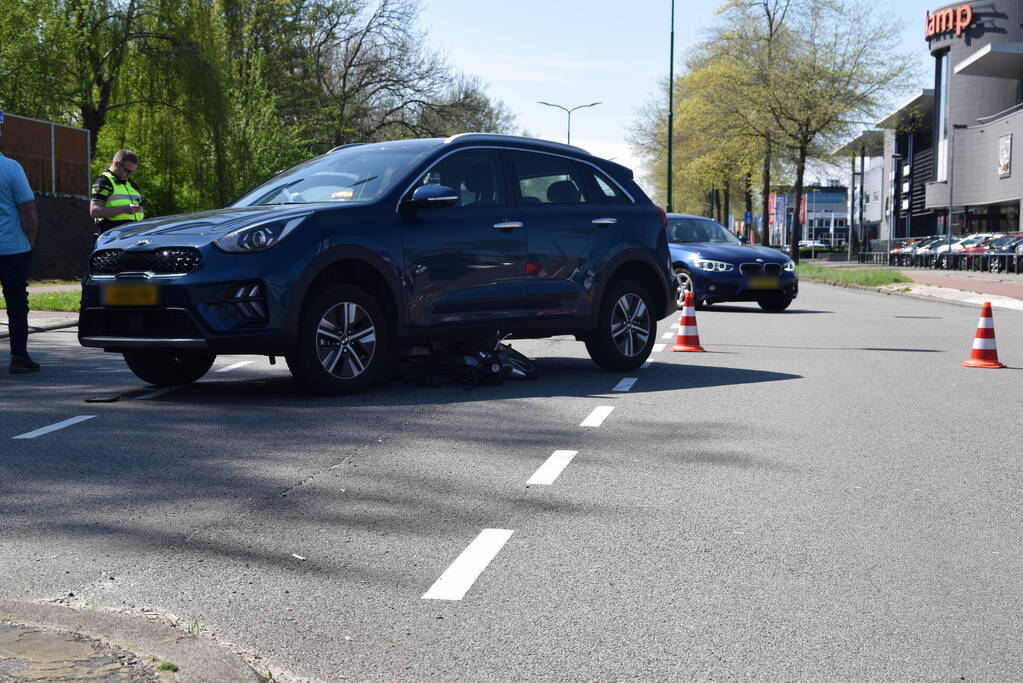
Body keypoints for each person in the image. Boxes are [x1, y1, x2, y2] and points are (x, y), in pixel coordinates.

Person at [0, 124, 40, 373]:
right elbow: (28, 210)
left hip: (13, 247)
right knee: (16, 303)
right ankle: (19, 356)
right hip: (12, 248)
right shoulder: (11, 168)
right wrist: (29, 242)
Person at [90, 149, 144, 235]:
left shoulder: (130, 184)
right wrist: (124, 209)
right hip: (112, 236)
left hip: (134, 234)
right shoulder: (104, 181)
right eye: (127, 170)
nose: (129, 175)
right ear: (116, 164)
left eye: (132, 172)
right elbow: (94, 211)